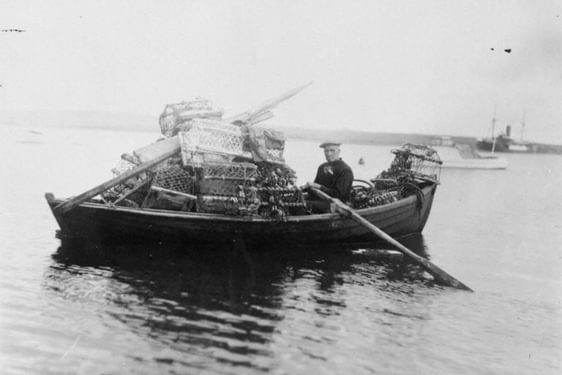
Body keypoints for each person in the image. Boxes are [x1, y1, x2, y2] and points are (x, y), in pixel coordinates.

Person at [302, 141, 354, 213]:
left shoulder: (345, 170)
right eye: (326, 151)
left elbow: (339, 195)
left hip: (337, 204)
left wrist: (319, 187)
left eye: (332, 150)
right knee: (296, 201)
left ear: (339, 151)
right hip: (320, 200)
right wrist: (304, 188)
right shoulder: (322, 167)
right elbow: (314, 189)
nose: (329, 154)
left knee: (302, 205)